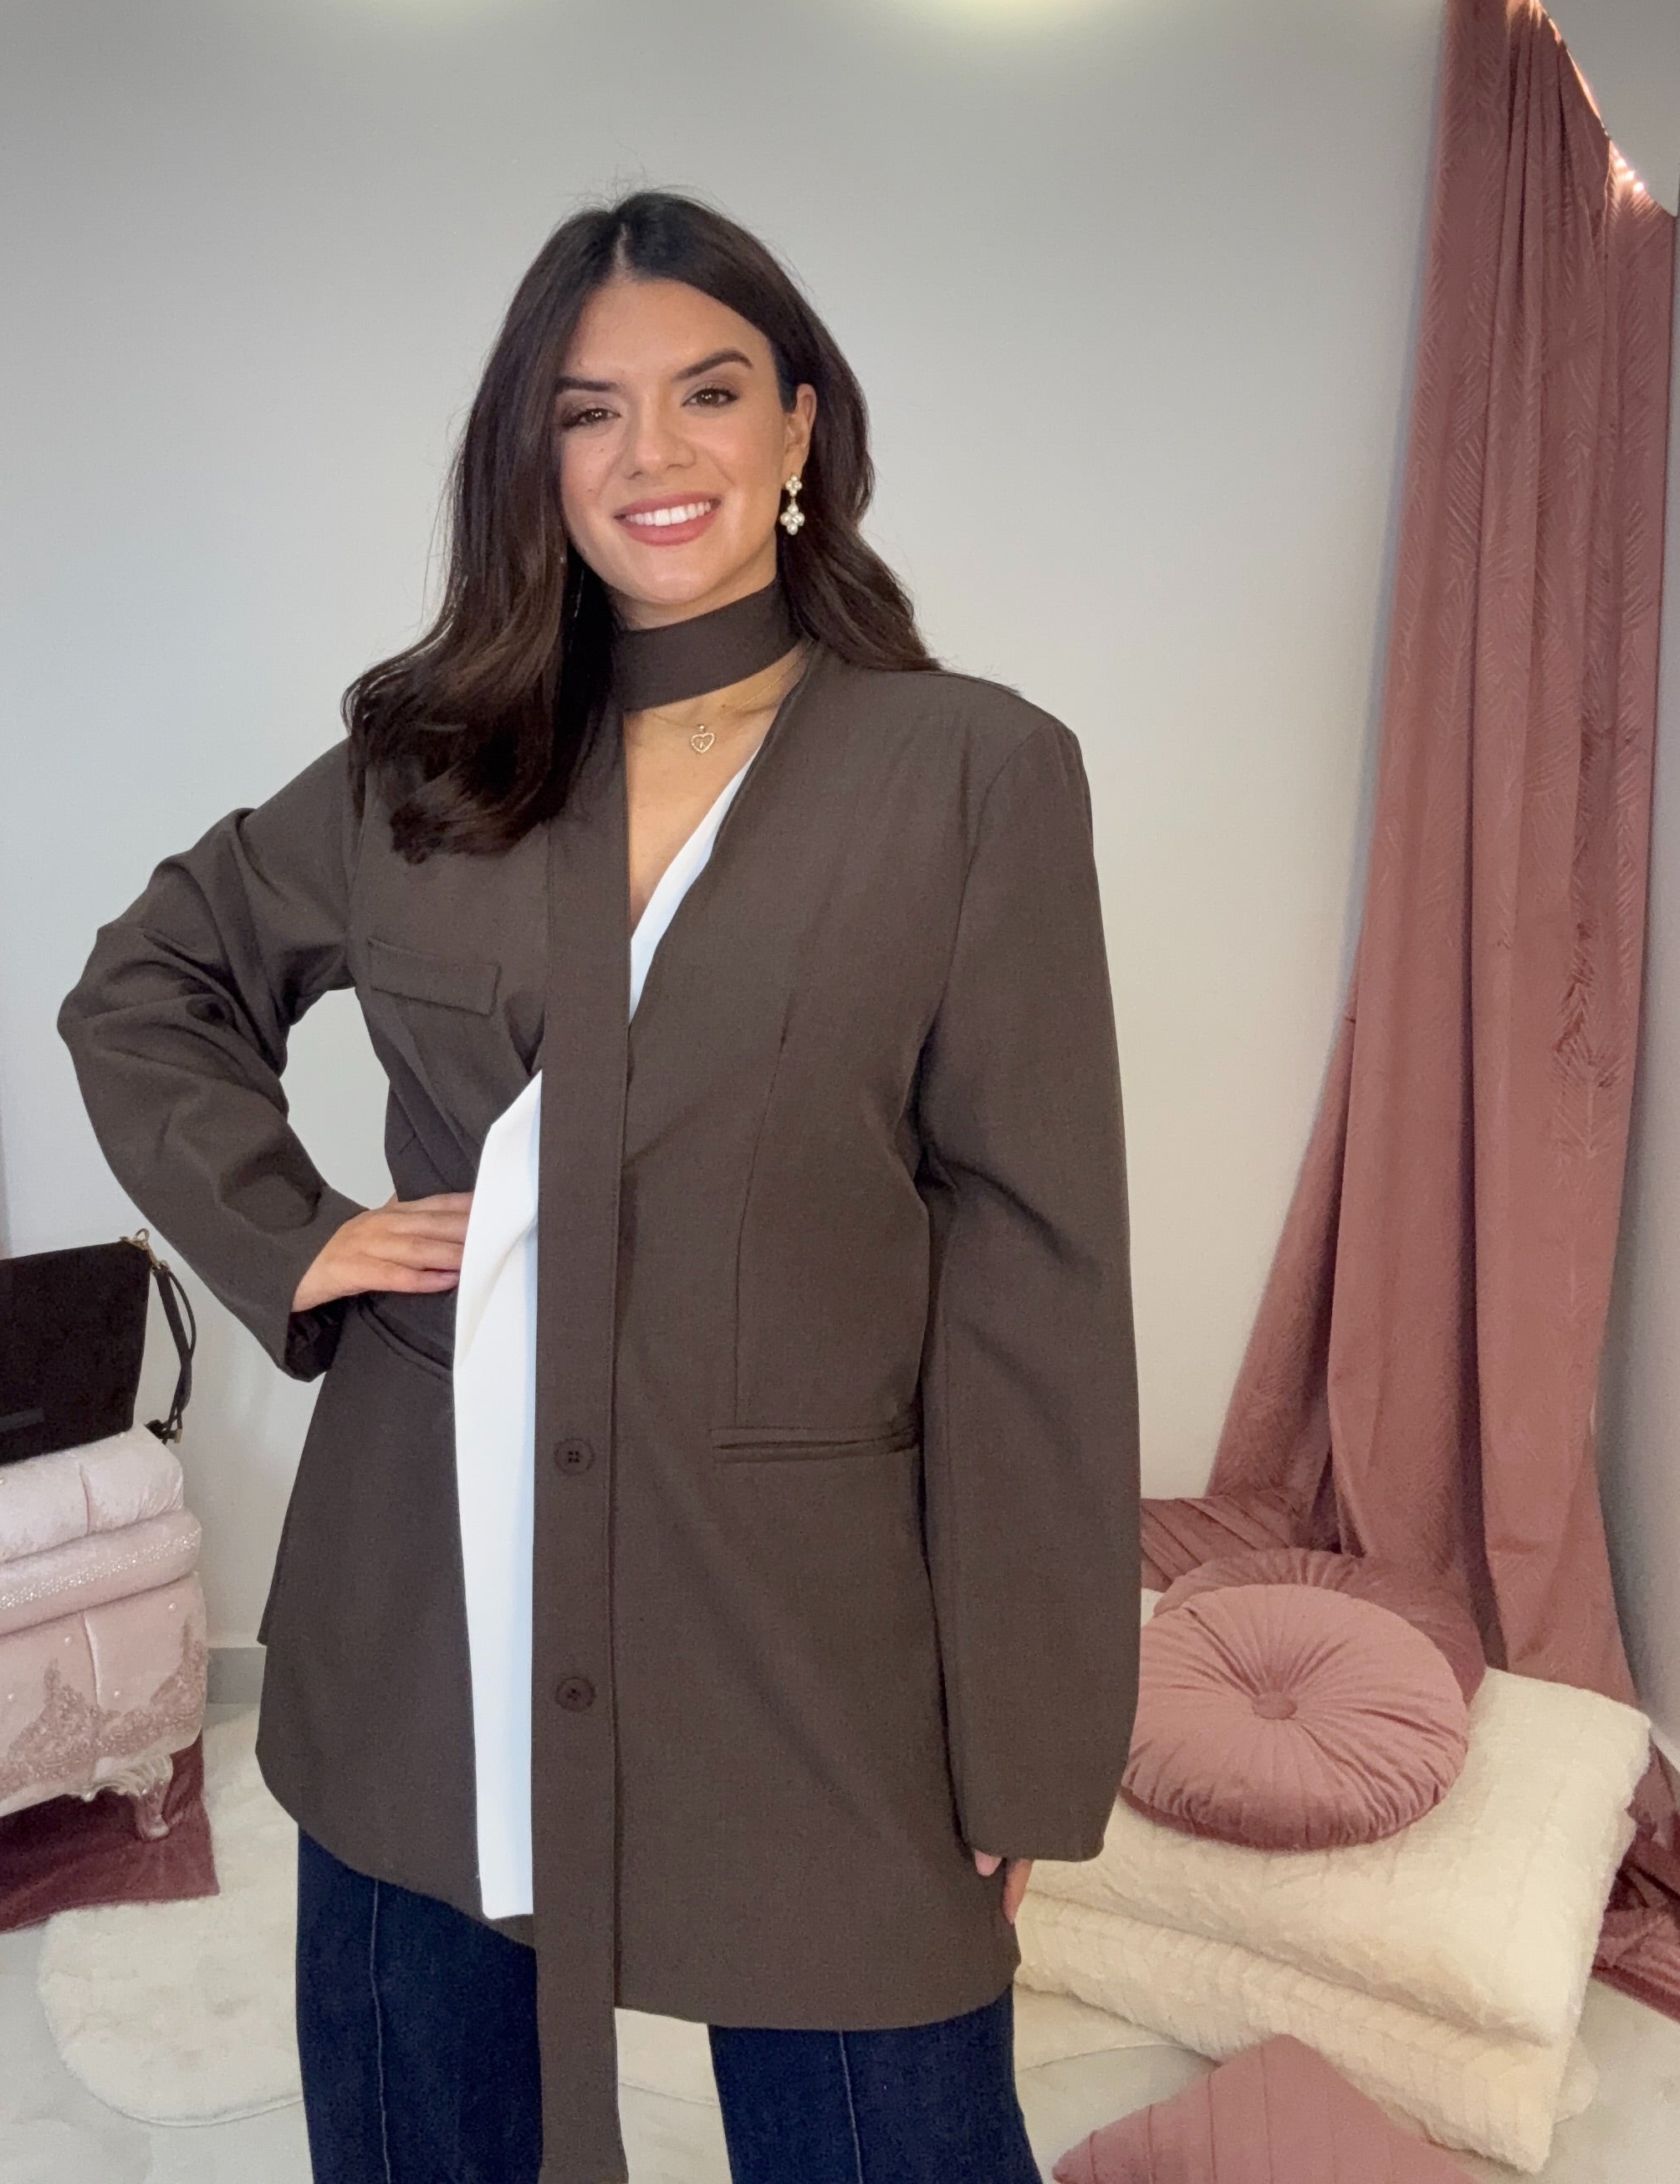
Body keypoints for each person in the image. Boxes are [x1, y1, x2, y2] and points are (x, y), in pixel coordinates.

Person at [59, 190, 1141, 2184]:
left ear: (800, 423)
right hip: (425, 1614)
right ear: (535, 457)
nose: (655, 451)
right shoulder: (427, 763)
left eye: (710, 391)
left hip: (807, 1633)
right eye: (590, 409)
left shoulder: (972, 774)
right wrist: (299, 1235)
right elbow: (150, 984)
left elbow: (1031, 1279)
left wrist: (1030, 1728)